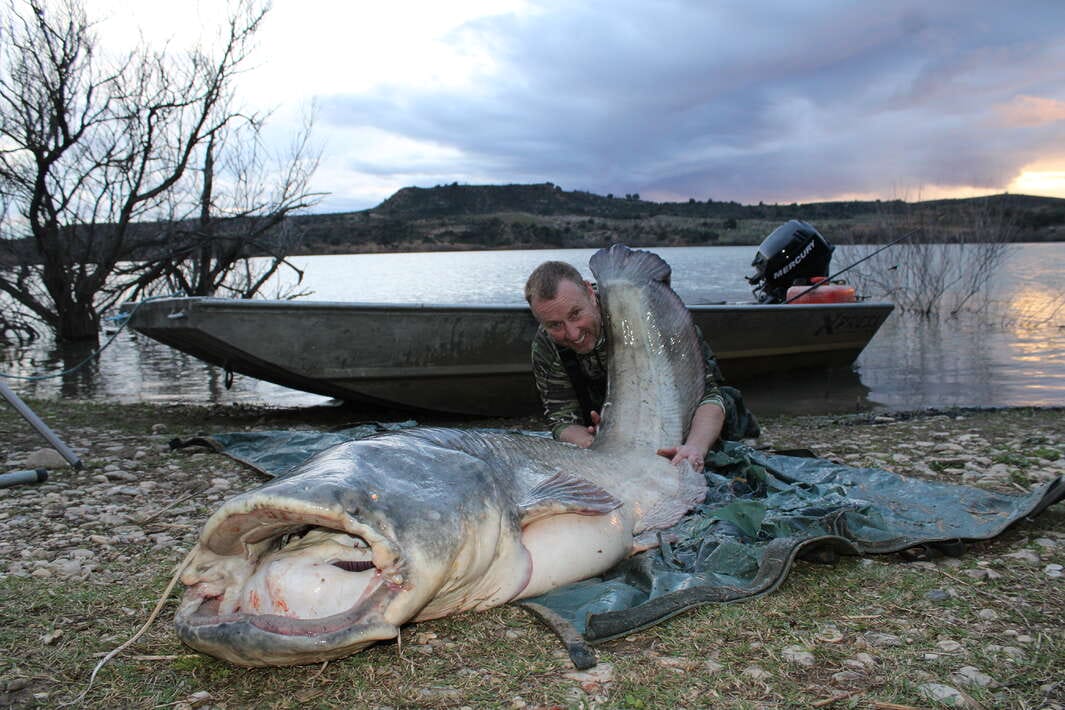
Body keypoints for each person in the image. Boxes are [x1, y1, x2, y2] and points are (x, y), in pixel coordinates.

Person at [524, 260, 758, 472]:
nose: (573, 334)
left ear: (589, 292)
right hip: (610, 429)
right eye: (555, 325)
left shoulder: (655, 318)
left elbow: (710, 397)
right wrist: (594, 442)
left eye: (576, 314)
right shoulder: (546, 347)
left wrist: (695, 448)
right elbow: (562, 421)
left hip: (679, 418)